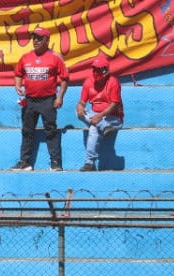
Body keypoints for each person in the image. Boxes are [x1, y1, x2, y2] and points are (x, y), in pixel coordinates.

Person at [10, 26, 69, 171]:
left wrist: (60, 97)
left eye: (39, 38)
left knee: (51, 131)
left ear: (47, 40)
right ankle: (25, 162)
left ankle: (55, 163)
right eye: (34, 38)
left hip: (48, 100)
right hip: (30, 100)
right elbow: (18, 73)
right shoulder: (26, 57)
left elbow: (65, 79)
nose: (35, 41)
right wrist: (17, 86)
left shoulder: (55, 57)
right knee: (27, 130)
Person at [75, 54, 124, 172]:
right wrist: (80, 107)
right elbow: (81, 102)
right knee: (78, 113)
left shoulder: (113, 82)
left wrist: (100, 117)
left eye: (98, 69)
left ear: (105, 70)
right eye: (94, 69)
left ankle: (89, 163)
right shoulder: (88, 82)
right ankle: (104, 126)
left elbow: (114, 104)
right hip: (96, 116)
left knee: (93, 129)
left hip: (114, 118)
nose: (95, 72)